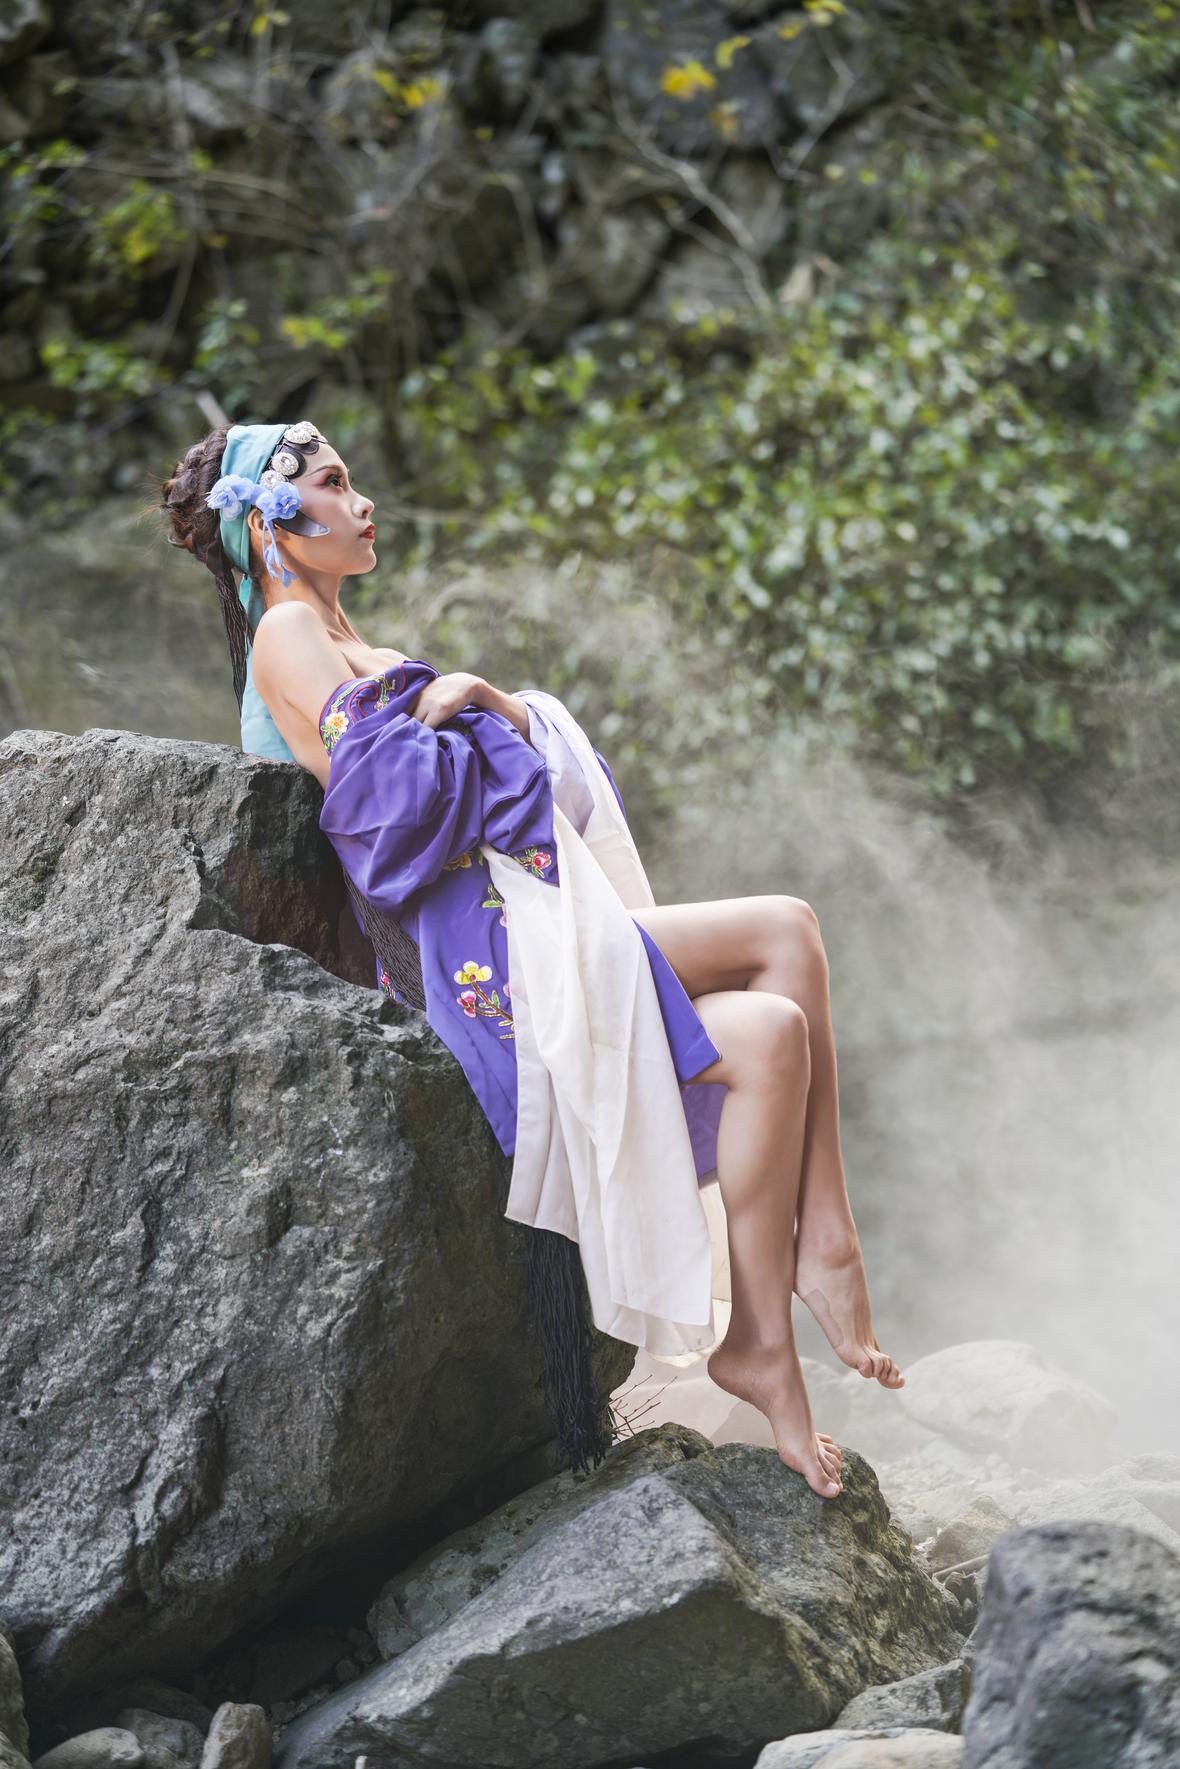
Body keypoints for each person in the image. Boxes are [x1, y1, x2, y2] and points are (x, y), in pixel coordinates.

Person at [157, 418, 904, 1498]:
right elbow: (395, 810)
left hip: (509, 917)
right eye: (333, 482)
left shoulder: (344, 638)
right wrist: (472, 706)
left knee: (776, 1014)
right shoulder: (286, 633)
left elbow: (460, 766)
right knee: (783, 937)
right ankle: (815, 1252)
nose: (361, 502)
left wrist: (489, 703)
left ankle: (769, 1319)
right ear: (271, 529)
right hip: (475, 957)